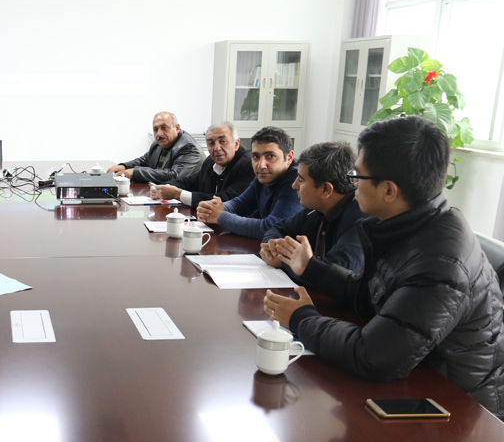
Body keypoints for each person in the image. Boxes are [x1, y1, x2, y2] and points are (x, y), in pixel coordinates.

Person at [264, 116, 504, 420]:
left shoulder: (441, 263)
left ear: (389, 191)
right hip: (418, 380)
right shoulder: (414, 224)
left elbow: (373, 356)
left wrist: (300, 318)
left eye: (358, 176)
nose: (352, 184)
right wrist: (310, 268)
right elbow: (371, 294)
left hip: (456, 410)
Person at [260, 141, 364, 285]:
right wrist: (273, 247)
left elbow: (332, 278)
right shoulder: (316, 208)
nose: (294, 185)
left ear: (326, 190)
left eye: (301, 179)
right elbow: (277, 229)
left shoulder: (360, 222)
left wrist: (284, 262)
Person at [196, 125, 301, 240]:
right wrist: (211, 209)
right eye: (256, 156)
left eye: (271, 156)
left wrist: (220, 216)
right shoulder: (265, 175)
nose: (261, 165)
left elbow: (272, 228)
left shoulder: (297, 181)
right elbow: (240, 204)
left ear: (289, 157)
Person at [148, 121, 254, 209]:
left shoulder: (249, 164)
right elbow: (190, 181)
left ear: (236, 144)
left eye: (222, 141)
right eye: (211, 143)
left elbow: (227, 200)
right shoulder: (211, 161)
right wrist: (164, 188)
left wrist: (178, 194)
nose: (217, 148)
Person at [106, 112, 202, 184]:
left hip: (185, 201)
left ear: (177, 128)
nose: (159, 134)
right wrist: (125, 166)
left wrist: (136, 173)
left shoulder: (189, 148)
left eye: (164, 128)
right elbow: (145, 160)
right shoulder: (158, 143)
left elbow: (174, 176)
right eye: (155, 129)